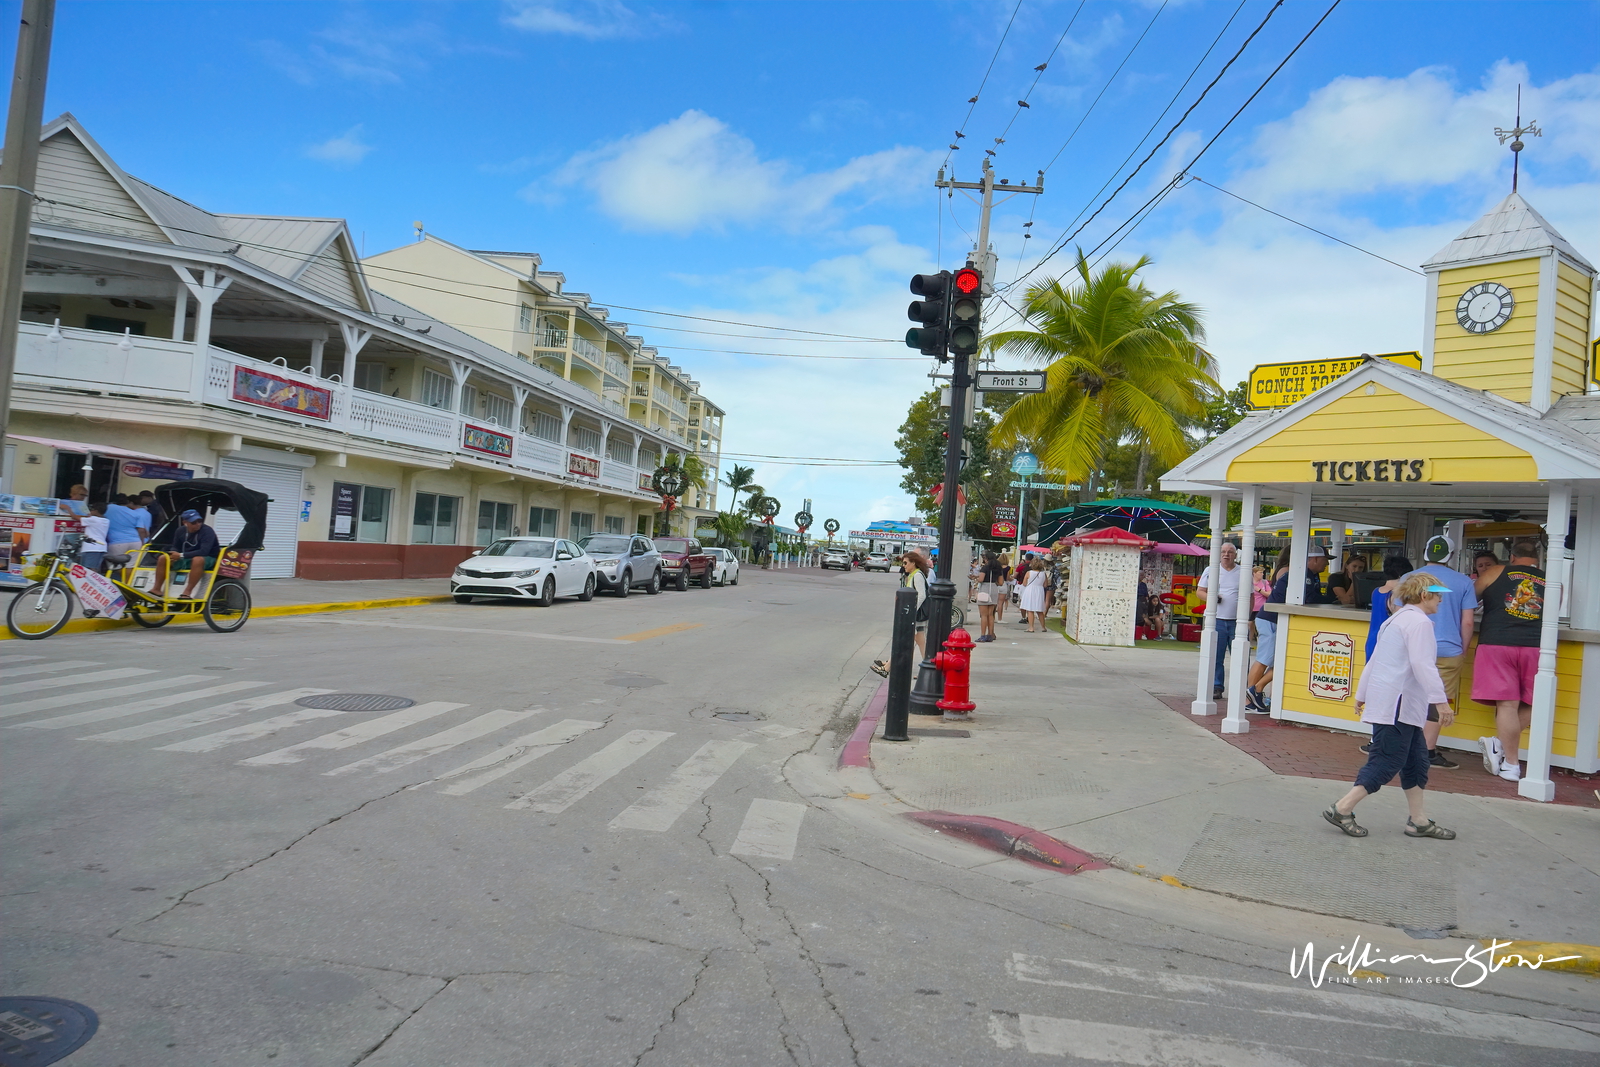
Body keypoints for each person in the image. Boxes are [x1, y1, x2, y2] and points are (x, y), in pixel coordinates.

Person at [1322, 573, 1457, 840]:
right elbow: (1423, 665)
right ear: (1424, 595)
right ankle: (1342, 808)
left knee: (1416, 761)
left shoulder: (1395, 619)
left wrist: (1361, 693)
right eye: (1437, 594)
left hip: (1394, 703)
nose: (1441, 599)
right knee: (1388, 760)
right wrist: (1442, 703)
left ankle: (1418, 820)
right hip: (1400, 704)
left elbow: (1375, 660)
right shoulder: (1420, 623)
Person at [1472, 539, 1545, 783]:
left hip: (1497, 642)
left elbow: (1470, 598)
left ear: (1512, 558)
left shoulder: (1495, 571)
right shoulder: (1552, 581)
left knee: (1507, 705)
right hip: (1535, 645)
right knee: (1534, 702)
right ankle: (1501, 748)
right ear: (1537, 560)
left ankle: (1511, 765)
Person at [1410, 549, 1478, 770]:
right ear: (1451, 555)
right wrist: (1463, 649)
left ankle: (1406, 746)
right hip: (1448, 649)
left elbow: (1398, 612)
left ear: (1426, 552)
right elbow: (1468, 622)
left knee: (1410, 696)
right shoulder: (1464, 581)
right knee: (1438, 699)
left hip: (1414, 647)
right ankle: (1427, 752)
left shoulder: (1409, 578)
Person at [1245, 550, 1293, 713]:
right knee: (1263, 659)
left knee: (1276, 659)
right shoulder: (1286, 571)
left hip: (1272, 618)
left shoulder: (1284, 570)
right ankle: (1248, 700)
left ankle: (1255, 694)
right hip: (1269, 618)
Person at [870, 550, 931, 677]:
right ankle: (929, 670)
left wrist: (912, 610)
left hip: (914, 616)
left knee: (901, 640)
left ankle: (887, 667)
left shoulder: (917, 575)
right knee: (920, 643)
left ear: (913, 563)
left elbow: (922, 595)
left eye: (905, 563)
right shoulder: (913, 574)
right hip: (916, 616)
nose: (903, 565)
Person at [1197, 541, 1243, 700]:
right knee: (1217, 656)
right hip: (1216, 620)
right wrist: (1213, 598)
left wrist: (1248, 616)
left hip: (1237, 621)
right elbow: (1200, 592)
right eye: (1223, 551)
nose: (1226, 555)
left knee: (1240, 656)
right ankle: (1217, 686)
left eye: (1230, 552)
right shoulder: (1211, 570)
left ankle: (1242, 687)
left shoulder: (1242, 572)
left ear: (1235, 555)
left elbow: (1250, 596)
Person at [153, 509, 220, 600]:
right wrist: (173, 554)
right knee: (163, 558)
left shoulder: (207, 531)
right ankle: (156, 589)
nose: (198, 524)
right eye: (193, 522)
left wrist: (180, 555)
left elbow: (204, 551)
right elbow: (175, 546)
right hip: (186, 556)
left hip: (207, 557)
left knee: (197, 559)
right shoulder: (180, 531)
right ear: (185, 522)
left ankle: (187, 592)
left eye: (199, 521)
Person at [104, 493, 151, 564]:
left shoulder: (108, 508)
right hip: (135, 542)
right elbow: (143, 531)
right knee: (131, 566)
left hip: (117, 542)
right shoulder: (136, 513)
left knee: (115, 566)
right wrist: (142, 542)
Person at [974, 551, 1005, 643]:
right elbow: (1001, 582)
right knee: (990, 615)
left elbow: (981, 579)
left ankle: (982, 635)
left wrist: (975, 578)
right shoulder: (998, 568)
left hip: (985, 589)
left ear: (986, 558)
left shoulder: (985, 567)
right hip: (994, 589)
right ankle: (990, 634)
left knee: (983, 615)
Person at [1018, 557, 1048, 632]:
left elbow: (1024, 583)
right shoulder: (1043, 574)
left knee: (1030, 609)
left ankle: (1031, 627)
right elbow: (1045, 585)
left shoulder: (1029, 573)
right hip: (1039, 591)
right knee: (1039, 610)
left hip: (1030, 590)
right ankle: (1043, 627)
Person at [80, 501, 109, 573]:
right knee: (94, 567)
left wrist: (68, 509)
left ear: (96, 511)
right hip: (101, 547)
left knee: (90, 569)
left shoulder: (93, 519)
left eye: (91, 509)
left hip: (92, 547)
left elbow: (76, 517)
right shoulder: (106, 520)